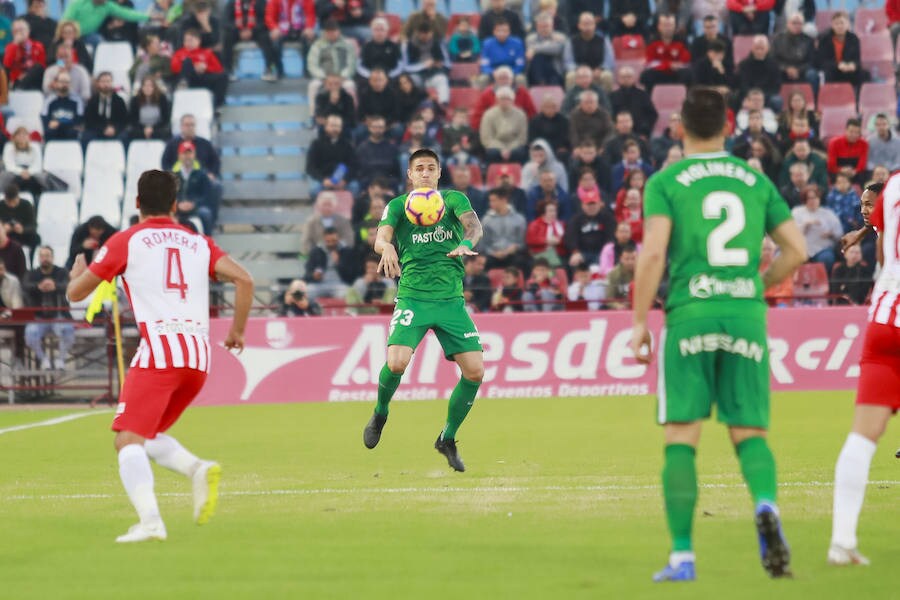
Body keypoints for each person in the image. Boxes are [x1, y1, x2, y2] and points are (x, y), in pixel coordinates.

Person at [630, 87, 806, 582]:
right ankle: (765, 505)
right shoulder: (753, 177)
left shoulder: (667, 181)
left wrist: (640, 321)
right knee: (749, 432)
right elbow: (795, 250)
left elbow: (652, 255)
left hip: (690, 313)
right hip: (745, 314)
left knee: (681, 436)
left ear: (679, 127)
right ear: (729, 126)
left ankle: (683, 556)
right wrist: (756, 286)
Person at [66, 169, 253, 543]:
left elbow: (75, 295)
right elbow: (244, 279)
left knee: (127, 440)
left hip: (160, 353)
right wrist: (236, 332)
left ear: (137, 203)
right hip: (198, 358)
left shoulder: (127, 241)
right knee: (145, 434)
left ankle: (151, 522)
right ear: (174, 205)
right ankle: (197, 469)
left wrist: (78, 273)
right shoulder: (199, 243)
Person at [363, 148, 485, 472]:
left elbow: (474, 227)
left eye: (431, 168)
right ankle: (381, 411)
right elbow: (381, 237)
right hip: (413, 298)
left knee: (475, 372)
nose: (426, 173)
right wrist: (386, 246)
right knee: (397, 362)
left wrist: (468, 244)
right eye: (420, 168)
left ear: (439, 173)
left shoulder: (453, 200)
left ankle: (447, 437)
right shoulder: (398, 206)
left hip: (450, 301)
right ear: (410, 175)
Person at [827, 178, 900, 565]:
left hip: (885, 320)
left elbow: (880, 218)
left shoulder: (893, 189)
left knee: (863, 437)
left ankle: (842, 542)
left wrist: (859, 233)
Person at [23, 246, 72, 370]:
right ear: (39, 258)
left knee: (68, 330)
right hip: (38, 317)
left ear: (52, 257)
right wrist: (39, 286)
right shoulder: (32, 274)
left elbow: (68, 285)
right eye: (42, 256)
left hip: (58, 315)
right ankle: (44, 359)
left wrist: (55, 286)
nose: (45, 259)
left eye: (48, 256)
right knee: (30, 333)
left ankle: (60, 359)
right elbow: (26, 286)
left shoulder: (61, 272)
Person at [223, 0, 279, 81]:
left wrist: (252, 31)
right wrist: (239, 31)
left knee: (266, 36)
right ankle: (228, 70)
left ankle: (269, 69)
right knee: (227, 36)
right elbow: (226, 21)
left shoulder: (261, 2)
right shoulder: (232, 3)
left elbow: (264, 20)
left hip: (255, 31)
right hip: (237, 31)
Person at [563, 181, 616, 268]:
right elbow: (570, 238)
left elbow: (611, 237)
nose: (591, 207)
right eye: (588, 204)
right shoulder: (576, 219)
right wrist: (575, 252)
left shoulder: (608, 218)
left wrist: (605, 252)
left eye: (593, 204)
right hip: (582, 252)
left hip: (602, 252)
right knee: (574, 261)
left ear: (599, 204)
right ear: (583, 205)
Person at [170, 28, 227, 107]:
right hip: (187, 78)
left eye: (191, 40)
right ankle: (183, 87)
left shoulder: (206, 52)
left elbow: (218, 69)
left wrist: (206, 67)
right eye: (186, 40)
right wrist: (193, 67)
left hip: (202, 77)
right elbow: (174, 68)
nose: (188, 43)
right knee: (187, 62)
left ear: (198, 41)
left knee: (223, 76)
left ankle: (217, 105)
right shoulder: (179, 53)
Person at [305, 114, 357, 197]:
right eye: (332, 126)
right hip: (322, 178)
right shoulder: (316, 144)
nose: (335, 129)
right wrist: (323, 180)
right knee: (314, 190)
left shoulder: (347, 145)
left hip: (342, 179)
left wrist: (345, 180)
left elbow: (353, 166)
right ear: (326, 127)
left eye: (337, 126)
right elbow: (310, 168)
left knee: (354, 188)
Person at [264, 0, 316, 79]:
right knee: (274, 42)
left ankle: (307, 70)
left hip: (301, 29)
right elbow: (269, 17)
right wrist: (274, 28)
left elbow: (310, 15)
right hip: (281, 29)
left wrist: (308, 27)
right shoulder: (275, 1)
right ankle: (279, 70)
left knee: (310, 39)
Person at [639, 13, 691, 93]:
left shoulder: (683, 41)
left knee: (688, 74)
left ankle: (687, 101)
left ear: (675, 27)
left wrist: (676, 65)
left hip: (676, 73)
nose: (668, 28)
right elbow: (650, 62)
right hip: (659, 72)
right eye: (665, 25)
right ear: (659, 26)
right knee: (647, 75)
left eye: (670, 25)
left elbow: (686, 60)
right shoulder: (652, 41)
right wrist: (668, 65)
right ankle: (649, 101)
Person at [172, 140, 216, 233]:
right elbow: (169, 196)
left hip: (196, 208)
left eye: (190, 153)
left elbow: (207, 196)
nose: (187, 157)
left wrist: (194, 204)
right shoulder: (173, 175)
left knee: (205, 213)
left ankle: (207, 242)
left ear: (194, 155)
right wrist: (178, 204)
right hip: (177, 208)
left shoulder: (202, 175)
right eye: (184, 153)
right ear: (179, 156)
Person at [480, 186, 528, 271]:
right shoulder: (486, 220)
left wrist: (514, 248)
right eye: (490, 201)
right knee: (484, 262)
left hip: (513, 254)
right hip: (493, 255)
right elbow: (484, 244)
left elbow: (522, 242)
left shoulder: (519, 219)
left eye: (493, 200)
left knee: (521, 261)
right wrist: (493, 253)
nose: (490, 204)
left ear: (504, 200)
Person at [61, 0, 148, 46]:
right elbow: (66, 21)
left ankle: (96, 70)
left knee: (101, 43)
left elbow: (127, 14)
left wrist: (149, 17)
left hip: (89, 36)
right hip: (70, 35)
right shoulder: (78, 3)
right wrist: (69, 36)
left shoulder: (107, 5)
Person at [303, 226, 357, 299]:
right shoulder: (316, 252)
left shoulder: (346, 251)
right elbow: (307, 274)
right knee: (306, 292)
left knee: (347, 294)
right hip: (319, 284)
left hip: (339, 284)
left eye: (334, 241)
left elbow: (351, 275)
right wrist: (314, 276)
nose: (331, 244)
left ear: (339, 239)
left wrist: (339, 263)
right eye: (328, 241)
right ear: (324, 240)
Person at [817, 11, 867, 90]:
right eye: (836, 23)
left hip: (848, 70)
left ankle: (858, 100)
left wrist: (853, 65)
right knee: (826, 74)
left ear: (847, 24)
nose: (840, 26)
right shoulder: (824, 39)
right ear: (832, 25)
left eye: (842, 23)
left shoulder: (854, 39)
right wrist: (838, 65)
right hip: (833, 70)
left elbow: (857, 60)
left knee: (864, 74)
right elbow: (822, 62)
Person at [480, 86, 528, 165]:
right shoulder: (488, 114)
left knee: (521, 152)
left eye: (508, 99)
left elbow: (522, 138)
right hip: (495, 146)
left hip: (514, 146)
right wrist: (502, 149)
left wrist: (509, 150)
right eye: (502, 98)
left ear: (513, 100)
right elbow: (486, 138)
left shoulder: (521, 114)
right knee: (492, 153)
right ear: (497, 100)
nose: (505, 101)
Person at [771, 12, 817, 92]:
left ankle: (814, 100)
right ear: (788, 24)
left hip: (802, 71)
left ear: (803, 25)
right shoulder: (778, 39)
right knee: (772, 72)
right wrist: (786, 69)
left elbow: (812, 61)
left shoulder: (809, 40)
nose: (796, 26)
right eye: (794, 23)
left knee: (812, 74)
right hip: (783, 71)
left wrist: (798, 70)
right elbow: (773, 60)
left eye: (799, 23)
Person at [609, 65, 657, 139]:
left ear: (634, 78)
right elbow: (609, 116)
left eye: (629, 77)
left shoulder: (643, 95)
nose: (626, 79)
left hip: (640, 134)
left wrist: (644, 132)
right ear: (618, 79)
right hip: (617, 134)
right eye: (623, 77)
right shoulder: (612, 96)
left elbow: (652, 114)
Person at [736, 36, 781, 112]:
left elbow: (776, 86)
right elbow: (742, 83)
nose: (759, 51)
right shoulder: (744, 64)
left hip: (767, 95)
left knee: (776, 100)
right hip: (748, 94)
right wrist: (751, 96)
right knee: (735, 98)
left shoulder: (774, 65)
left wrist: (762, 96)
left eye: (762, 48)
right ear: (752, 48)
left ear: (767, 49)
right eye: (757, 48)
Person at [0, 127, 44, 199]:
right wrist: (21, 172)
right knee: (11, 179)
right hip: (14, 172)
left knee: (35, 180)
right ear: (14, 137)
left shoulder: (35, 146)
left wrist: (28, 172)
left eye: (24, 135)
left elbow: (38, 165)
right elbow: (9, 165)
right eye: (19, 135)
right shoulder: (9, 146)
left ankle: (36, 201)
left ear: (28, 136)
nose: (22, 137)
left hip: (31, 172)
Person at [40, 71, 83, 141]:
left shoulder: (77, 100)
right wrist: (65, 124)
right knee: (48, 132)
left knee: (73, 132)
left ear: (70, 84)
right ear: (56, 83)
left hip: (70, 132)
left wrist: (59, 124)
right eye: (62, 81)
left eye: (66, 82)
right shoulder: (49, 101)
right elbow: (45, 119)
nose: (64, 84)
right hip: (54, 132)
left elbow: (78, 122)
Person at [479, 17, 525, 82]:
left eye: (504, 31)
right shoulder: (487, 44)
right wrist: (492, 72)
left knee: (521, 79)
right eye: (499, 31)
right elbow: (484, 65)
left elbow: (520, 64)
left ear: (509, 32)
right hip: (493, 72)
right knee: (482, 79)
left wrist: (511, 72)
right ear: (494, 32)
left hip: (512, 71)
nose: (501, 33)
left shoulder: (517, 43)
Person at [4, 19, 45, 90]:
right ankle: (18, 88)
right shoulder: (11, 47)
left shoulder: (37, 46)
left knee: (38, 67)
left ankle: (19, 88)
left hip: (33, 80)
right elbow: (7, 65)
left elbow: (42, 66)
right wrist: (15, 44)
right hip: (16, 80)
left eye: (21, 30)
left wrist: (25, 76)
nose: (19, 33)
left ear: (28, 31)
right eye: (16, 31)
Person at [128, 75, 172, 142]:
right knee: (129, 134)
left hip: (158, 128)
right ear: (142, 87)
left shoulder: (162, 99)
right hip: (140, 129)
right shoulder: (135, 100)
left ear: (154, 87)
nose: (147, 88)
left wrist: (152, 128)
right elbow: (133, 120)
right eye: (145, 86)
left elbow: (165, 119)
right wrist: (144, 129)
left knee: (165, 133)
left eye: (150, 86)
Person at [827, 118, 869, 185]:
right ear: (846, 130)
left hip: (855, 173)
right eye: (851, 131)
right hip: (838, 172)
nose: (854, 135)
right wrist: (841, 170)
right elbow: (831, 165)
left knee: (864, 176)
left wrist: (855, 171)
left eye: (857, 132)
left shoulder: (864, 144)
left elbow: (862, 165)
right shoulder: (834, 143)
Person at [0, 183, 39, 251]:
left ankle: (32, 259)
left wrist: (23, 229)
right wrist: (3, 229)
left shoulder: (26, 205)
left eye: (14, 202)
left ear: (18, 197)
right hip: (6, 236)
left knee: (35, 239)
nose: (12, 205)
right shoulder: (1, 206)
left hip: (23, 235)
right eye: (9, 203)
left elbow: (33, 225)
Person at [605, 242, 636, 309]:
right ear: (621, 259)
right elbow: (609, 299)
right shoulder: (613, 274)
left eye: (633, 258)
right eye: (627, 259)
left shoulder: (644, 273)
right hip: (620, 308)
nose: (630, 262)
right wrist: (618, 306)